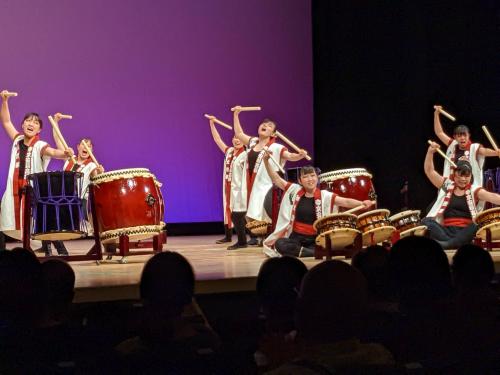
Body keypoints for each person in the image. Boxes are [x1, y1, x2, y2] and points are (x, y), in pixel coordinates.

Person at [262, 153, 374, 257]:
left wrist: (362, 203)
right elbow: (275, 178)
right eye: (305, 177)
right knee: (280, 243)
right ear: (300, 181)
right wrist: (266, 162)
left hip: (315, 238)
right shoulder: (293, 190)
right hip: (296, 237)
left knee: (332, 243)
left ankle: (309, 252)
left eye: (312, 175)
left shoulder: (325, 196)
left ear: (317, 178)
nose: (310, 179)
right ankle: (315, 253)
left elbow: (345, 201)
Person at [0, 90, 73, 244]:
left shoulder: (40, 145)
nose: (31, 124)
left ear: (39, 130)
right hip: (14, 188)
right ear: (22, 125)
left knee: (34, 224)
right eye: (28, 120)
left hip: (31, 190)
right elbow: (6, 122)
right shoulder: (17, 139)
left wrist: (65, 154)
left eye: (35, 122)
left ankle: (49, 248)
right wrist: (5, 101)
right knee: (10, 221)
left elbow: (53, 152)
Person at [232, 106, 308, 247]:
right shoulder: (253, 142)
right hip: (248, 184)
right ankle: (244, 241)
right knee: (237, 213)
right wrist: (236, 114)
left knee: (263, 214)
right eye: (263, 124)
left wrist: (299, 155)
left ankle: (267, 238)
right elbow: (239, 133)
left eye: (269, 126)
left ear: (273, 133)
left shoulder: (276, 147)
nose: (265, 126)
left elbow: (290, 156)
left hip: (265, 186)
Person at [423, 141, 500, 249]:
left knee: (477, 223)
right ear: (454, 175)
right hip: (446, 231)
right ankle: (452, 243)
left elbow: (494, 197)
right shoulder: (447, 185)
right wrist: (430, 152)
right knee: (426, 221)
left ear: (470, 176)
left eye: (466, 176)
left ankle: (449, 244)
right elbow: (429, 171)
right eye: (460, 176)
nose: (463, 179)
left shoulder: (475, 190)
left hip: (466, 232)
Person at [433, 105, 499, 187]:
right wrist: (436, 114)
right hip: (452, 186)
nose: (462, 138)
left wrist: (496, 153)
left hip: (469, 188)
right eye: (459, 136)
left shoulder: (474, 148)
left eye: (464, 135)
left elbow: (484, 151)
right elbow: (439, 133)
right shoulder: (452, 145)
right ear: (455, 137)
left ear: (469, 136)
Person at [207, 116, 246, 246]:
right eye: (235, 138)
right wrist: (212, 124)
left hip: (239, 186)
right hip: (227, 185)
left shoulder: (246, 154)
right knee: (227, 210)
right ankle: (228, 236)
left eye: (239, 138)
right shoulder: (229, 151)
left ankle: (247, 237)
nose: (237, 140)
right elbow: (217, 139)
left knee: (239, 211)